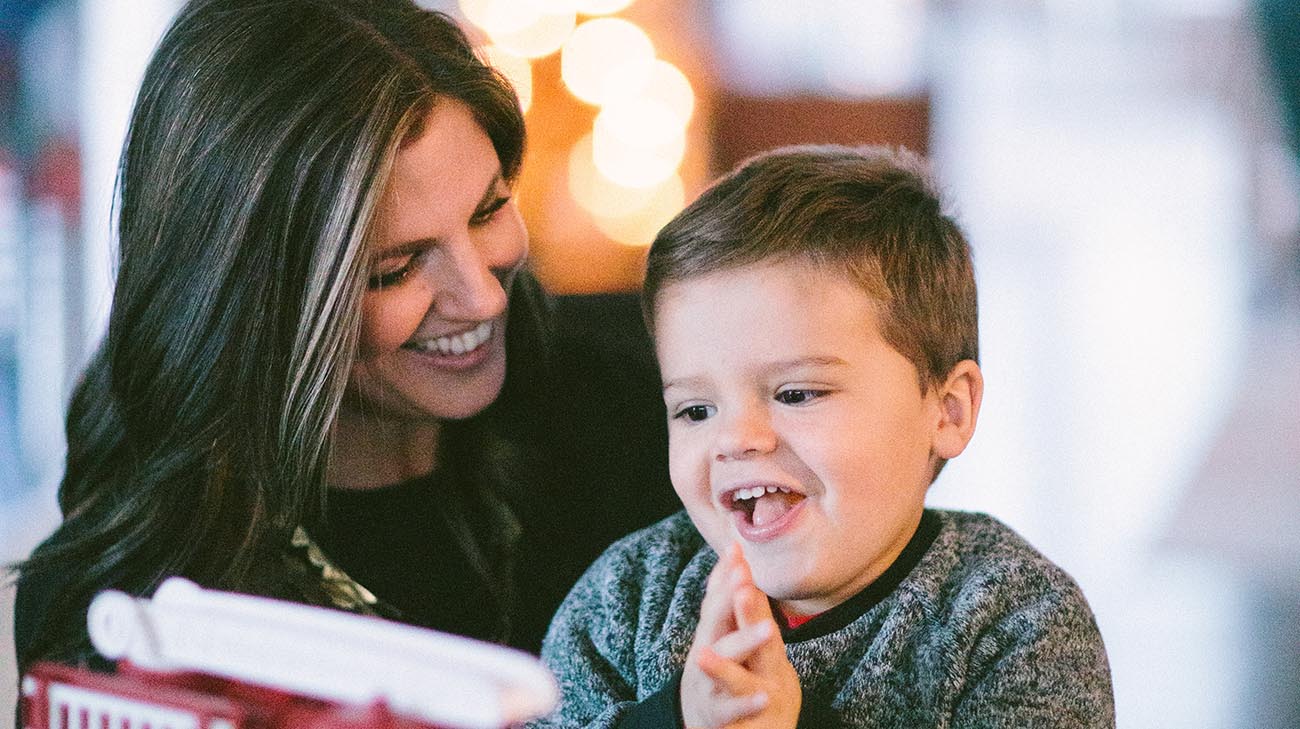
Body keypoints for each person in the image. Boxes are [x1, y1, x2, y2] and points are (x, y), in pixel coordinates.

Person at [10, 0, 678, 676]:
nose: (483, 295)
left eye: (489, 210)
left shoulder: (657, 398)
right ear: (256, 302)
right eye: (395, 268)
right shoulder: (134, 610)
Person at [536, 145, 1115, 728]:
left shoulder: (1013, 620)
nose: (735, 438)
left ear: (947, 411)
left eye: (796, 394)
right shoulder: (626, 597)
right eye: (695, 410)